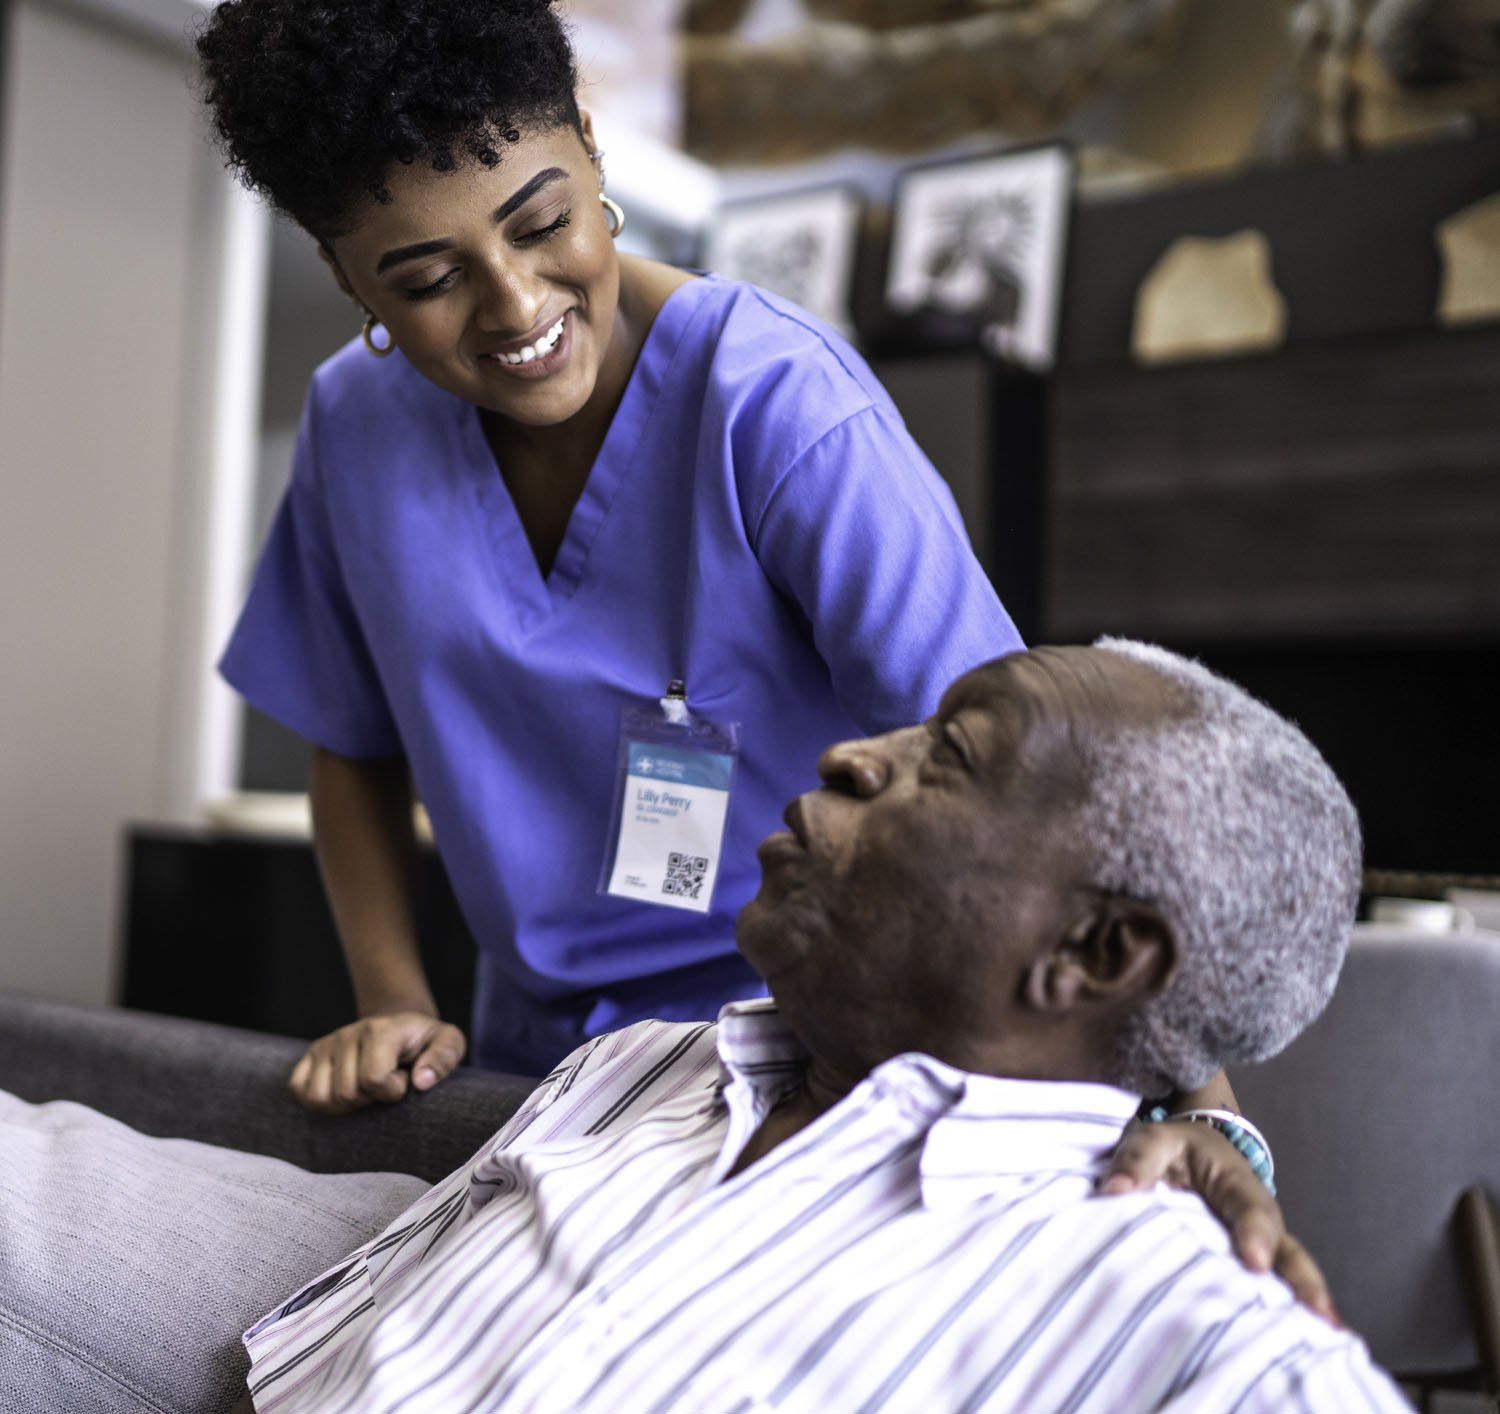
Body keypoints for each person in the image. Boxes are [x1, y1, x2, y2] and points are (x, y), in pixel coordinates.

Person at [1, 644, 1406, 1412]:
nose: (852, 752)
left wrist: (1212, 1125)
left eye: (951, 757)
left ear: (1096, 952)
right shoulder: (643, 1070)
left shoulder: (1212, 1345)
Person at [195, 0, 1026, 1097]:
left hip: (805, 1052)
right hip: (532, 1073)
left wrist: (1193, 1108)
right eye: (430, 280)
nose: (516, 303)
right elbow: (351, 742)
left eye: (540, 224)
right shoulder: (356, 424)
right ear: (348, 278)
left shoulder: (780, 407)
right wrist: (393, 998)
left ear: (589, 140)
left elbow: (1009, 780)